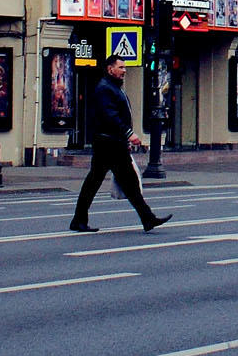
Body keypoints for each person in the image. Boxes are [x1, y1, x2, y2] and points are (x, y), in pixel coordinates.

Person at [70, 56, 170, 233]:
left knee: (98, 181)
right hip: (109, 143)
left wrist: (125, 137)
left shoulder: (113, 88)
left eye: (125, 67)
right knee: (124, 181)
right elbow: (110, 116)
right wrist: (129, 134)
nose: (125, 70)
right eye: (121, 67)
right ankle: (147, 218)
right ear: (110, 69)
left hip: (110, 141)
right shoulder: (105, 89)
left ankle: (79, 220)